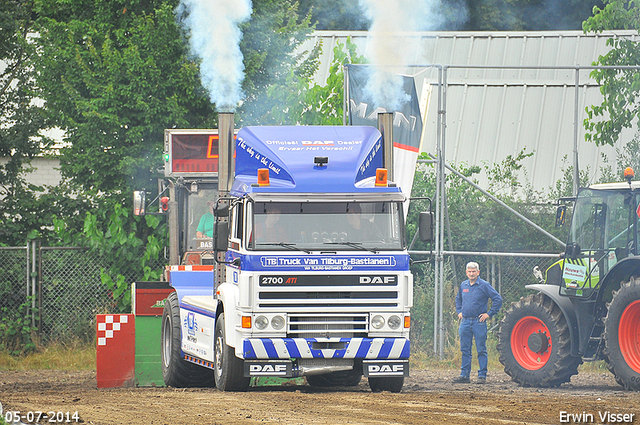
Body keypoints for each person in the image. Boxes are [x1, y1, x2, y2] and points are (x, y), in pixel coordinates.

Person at [453, 261, 503, 384]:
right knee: (465, 349)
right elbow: (458, 299)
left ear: (478, 272)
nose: (471, 273)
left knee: (481, 349)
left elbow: (498, 299)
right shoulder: (463, 285)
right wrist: (459, 311)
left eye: (473, 271)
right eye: (469, 271)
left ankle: (482, 375)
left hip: (478, 322)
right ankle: (464, 375)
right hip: (465, 322)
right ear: (466, 272)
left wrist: (489, 314)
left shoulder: (484, 285)